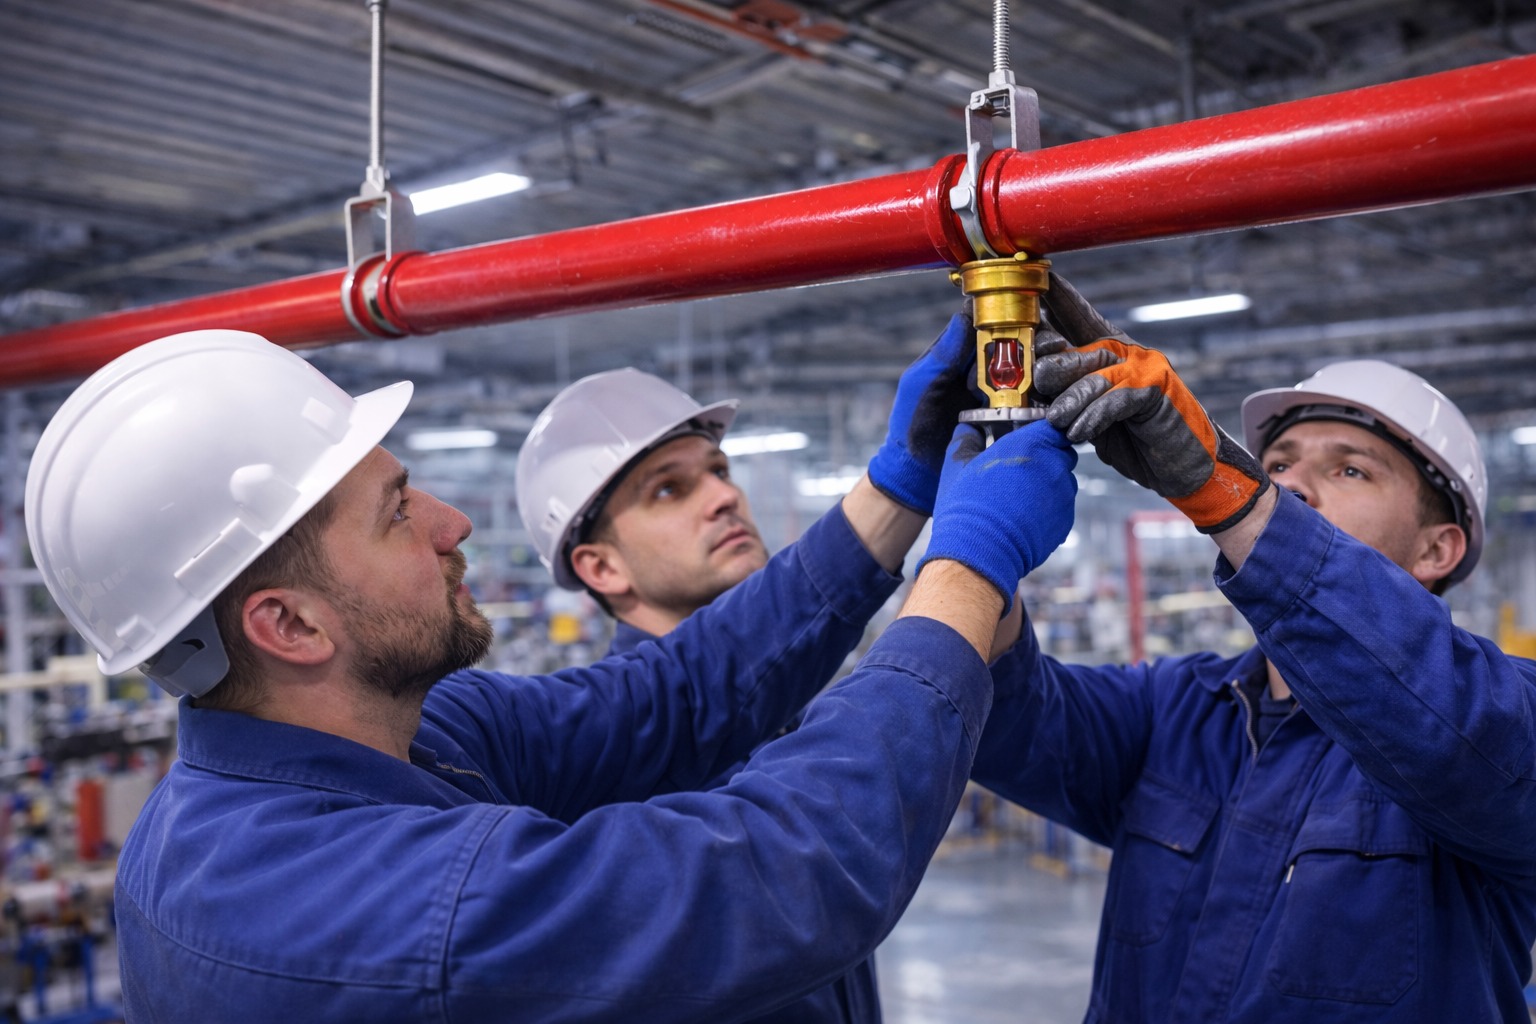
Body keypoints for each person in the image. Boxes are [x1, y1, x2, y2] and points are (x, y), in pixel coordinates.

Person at [26, 326, 1078, 1022]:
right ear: (288, 622)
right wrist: (967, 571)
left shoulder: (402, 740)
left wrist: (895, 491)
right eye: (398, 514)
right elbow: (779, 875)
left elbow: (671, 693)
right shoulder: (375, 909)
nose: (453, 522)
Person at [969, 274, 1536, 1022]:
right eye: (1278, 466)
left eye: (1349, 469)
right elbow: (1002, 720)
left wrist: (1231, 495)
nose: (1294, 488)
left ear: (1439, 547)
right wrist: (980, 540)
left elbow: (1455, 735)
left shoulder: (1503, 721)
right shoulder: (1173, 711)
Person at [512, 315, 970, 1022]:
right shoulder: (603, 780)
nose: (723, 496)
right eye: (670, 489)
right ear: (599, 566)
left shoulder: (781, 704)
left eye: (718, 471)